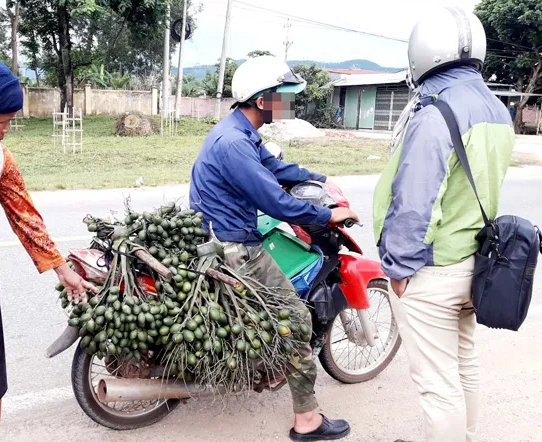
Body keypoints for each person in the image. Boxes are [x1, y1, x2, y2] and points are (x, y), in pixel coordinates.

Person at [189, 55, 356, 441]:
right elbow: (276, 203)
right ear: (263, 100)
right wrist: (327, 214)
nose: (288, 102)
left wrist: (320, 179)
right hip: (232, 248)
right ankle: (307, 420)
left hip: (224, 236)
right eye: (284, 96)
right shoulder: (234, 143)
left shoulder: (240, 131)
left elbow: (276, 169)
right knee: (296, 321)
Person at [373, 8, 514, 442]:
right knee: (463, 363)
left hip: (432, 271)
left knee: (438, 385)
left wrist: (399, 268)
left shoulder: (437, 111)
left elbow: (417, 202)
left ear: (422, 52)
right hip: (475, 264)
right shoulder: (497, 109)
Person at [0, 54, 96, 442]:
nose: (5, 132)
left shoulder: (0, 157)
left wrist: (62, 269)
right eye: (2, 122)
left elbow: (24, 215)